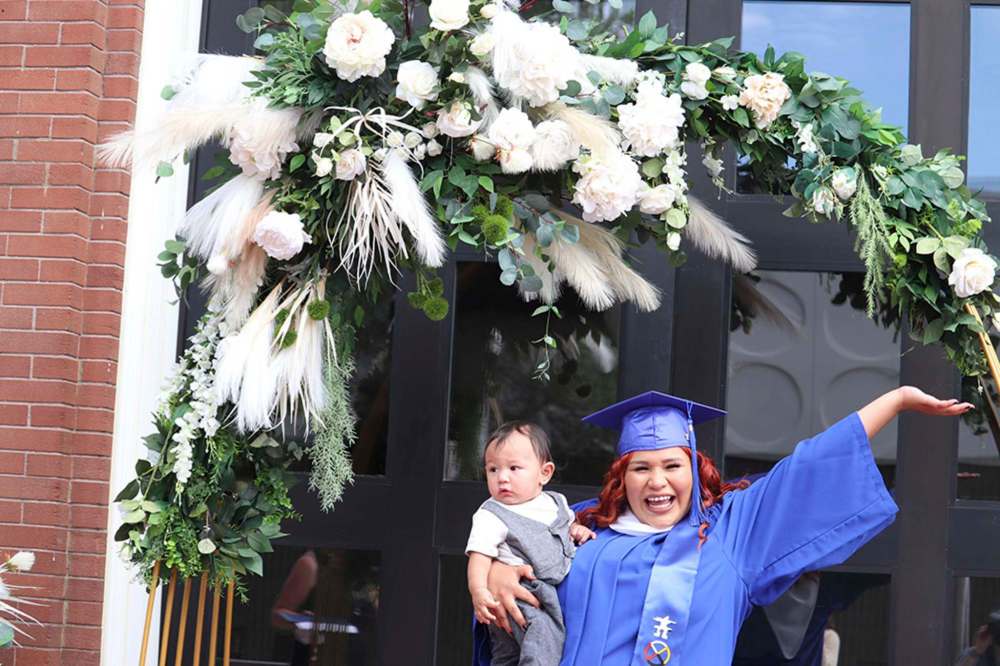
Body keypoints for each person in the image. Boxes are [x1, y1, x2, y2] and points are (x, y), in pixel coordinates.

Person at [474, 387, 971, 665]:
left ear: (695, 469)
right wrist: (495, 571)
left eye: (672, 465)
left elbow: (808, 468)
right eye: (641, 468)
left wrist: (895, 401)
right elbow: (510, 556)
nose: (657, 481)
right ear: (621, 477)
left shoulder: (731, 532)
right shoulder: (582, 527)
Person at [466, 421, 596, 665]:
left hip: (546, 593)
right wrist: (479, 590)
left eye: (514, 468)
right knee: (542, 637)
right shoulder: (491, 514)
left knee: (508, 655)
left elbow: (567, 526)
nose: (502, 478)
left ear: (544, 473)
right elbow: (479, 556)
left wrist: (577, 529)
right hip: (521, 593)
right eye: (493, 469)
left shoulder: (555, 502)